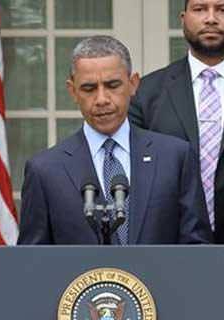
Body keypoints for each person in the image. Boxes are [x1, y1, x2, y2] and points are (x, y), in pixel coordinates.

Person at [18, 35, 211, 245]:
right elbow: (33, 262)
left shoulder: (174, 157)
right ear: (72, 91)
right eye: (89, 89)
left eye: (112, 85)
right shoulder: (45, 170)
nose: (102, 99)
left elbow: (197, 249)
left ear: (133, 84)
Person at [129, 0, 224, 245]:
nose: (211, 18)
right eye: (200, 9)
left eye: (223, 10)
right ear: (183, 18)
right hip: (171, 249)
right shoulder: (148, 91)